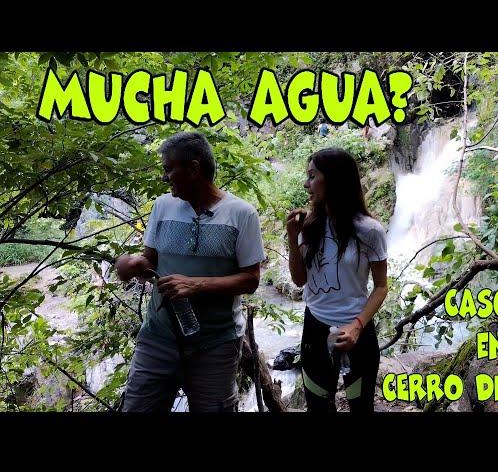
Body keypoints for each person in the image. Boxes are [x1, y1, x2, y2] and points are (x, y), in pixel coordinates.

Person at [115, 131, 265, 412]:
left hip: (215, 344)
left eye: (169, 169)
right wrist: (134, 264)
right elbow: (151, 261)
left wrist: (197, 285)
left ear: (194, 169)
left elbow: (251, 279)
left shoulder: (242, 214)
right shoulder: (162, 206)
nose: (164, 177)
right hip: (158, 337)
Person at [286, 148, 388, 413]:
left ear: (334, 179)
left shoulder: (369, 230)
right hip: (315, 328)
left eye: (312, 176)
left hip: (357, 330)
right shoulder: (309, 226)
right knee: (319, 406)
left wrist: (356, 326)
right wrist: (292, 237)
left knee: (360, 406)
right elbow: (299, 280)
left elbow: (380, 286)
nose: (306, 184)